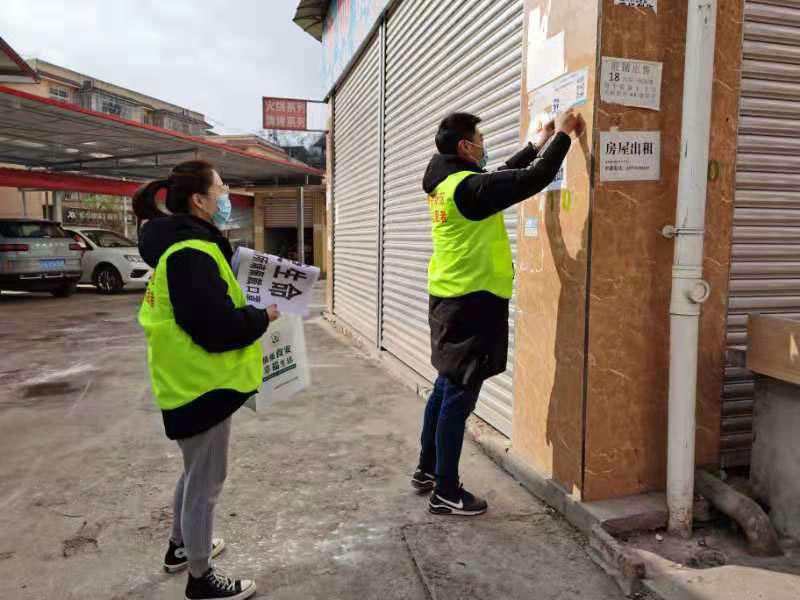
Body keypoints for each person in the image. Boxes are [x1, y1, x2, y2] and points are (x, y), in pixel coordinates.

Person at [412, 109, 585, 516]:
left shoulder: (448, 183)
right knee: (458, 394)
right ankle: (447, 491)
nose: (484, 144)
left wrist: (536, 143)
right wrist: (563, 136)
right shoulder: (467, 189)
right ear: (465, 147)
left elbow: (499, 177)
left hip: (448, 298)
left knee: (445, 386)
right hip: (471, 303)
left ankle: (427, 470)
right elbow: (528, 181)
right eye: (480, 138)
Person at [134, 160, 278, 600]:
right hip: (201, 387)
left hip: (188, 382)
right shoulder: (191, 254)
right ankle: (200, 578)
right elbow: (216, 330)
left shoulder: (184, 246)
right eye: (220, 188)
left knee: (194, 473)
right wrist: (262, 316)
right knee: (206, 483)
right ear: (199, 200)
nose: (226, 194)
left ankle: (181, 547)